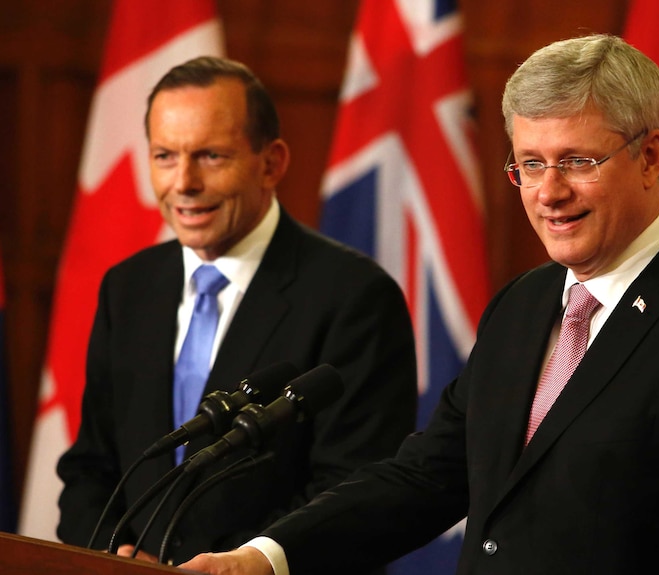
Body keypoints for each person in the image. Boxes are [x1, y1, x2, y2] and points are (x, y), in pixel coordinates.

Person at [181, 34, 659, 575]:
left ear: (650, 156)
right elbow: (428, 476)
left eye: (576, 161)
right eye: (530, 164)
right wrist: (264, 557)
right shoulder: (525, 303)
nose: (549, 193)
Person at [55, 56, 418, 566]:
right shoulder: (129, 287)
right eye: (164, 156)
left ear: (271, 163)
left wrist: (240, 563)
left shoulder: (354, 298)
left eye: (209, 156)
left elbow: (354, 487)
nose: (183, 182)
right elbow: (92, 466)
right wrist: (112, 556)